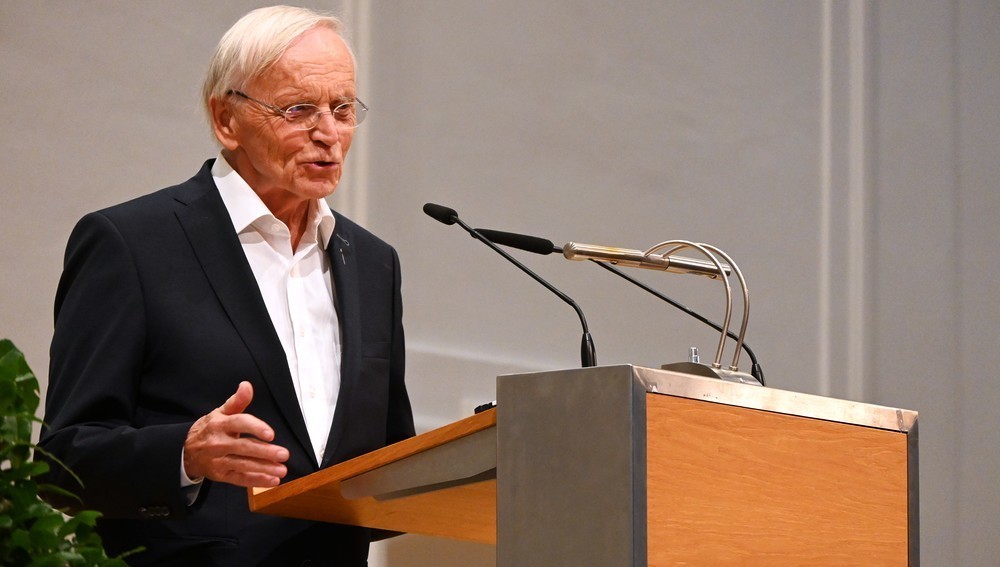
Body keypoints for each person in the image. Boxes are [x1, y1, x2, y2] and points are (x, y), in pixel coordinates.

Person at [39, 6, 415, 566]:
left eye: (342, 109)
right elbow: (62, 464)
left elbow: (388, 459)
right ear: (226, 119)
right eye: (298, 109)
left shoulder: (373, 263)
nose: (328, 134)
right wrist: (184, 455)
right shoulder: (132, 244)